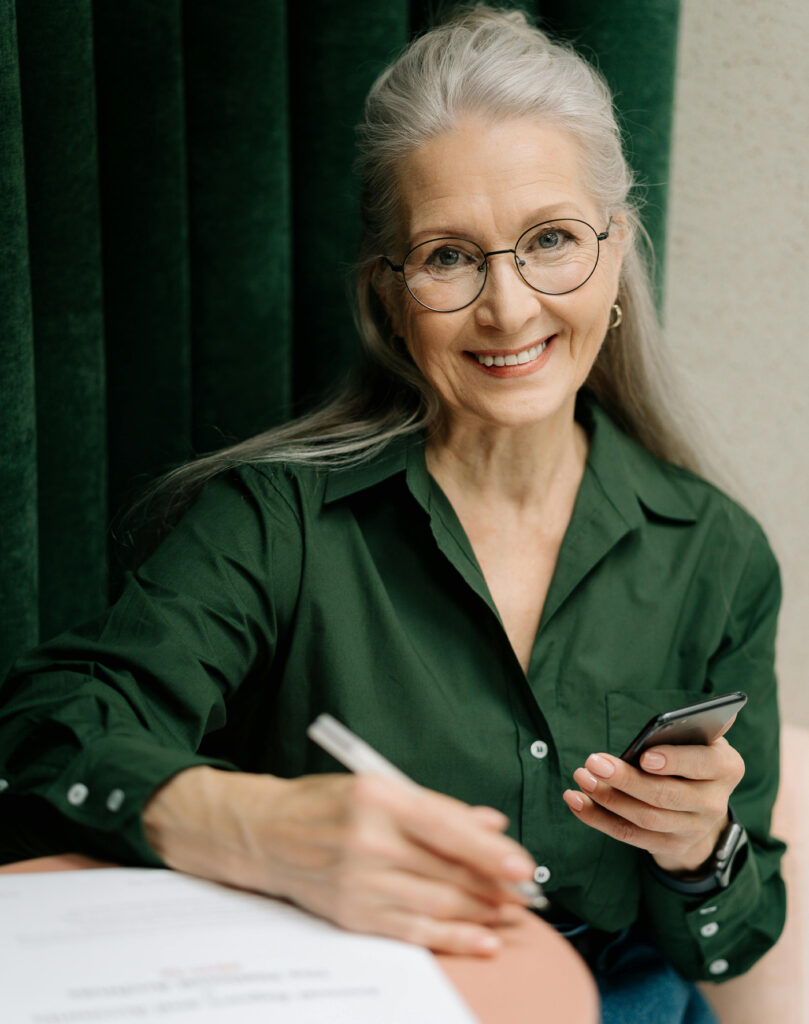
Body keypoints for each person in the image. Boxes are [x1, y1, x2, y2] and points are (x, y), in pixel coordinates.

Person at [0, 7, 785, 1022]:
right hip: (354, 994)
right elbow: (44, 727)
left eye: (549, 240)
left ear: (615, 251)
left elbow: (736, 937)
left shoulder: (715, 554)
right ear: (388, 294)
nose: (506, 309)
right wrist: (251, 822)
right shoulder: (274, 520)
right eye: (449, 256)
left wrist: (697, 850)